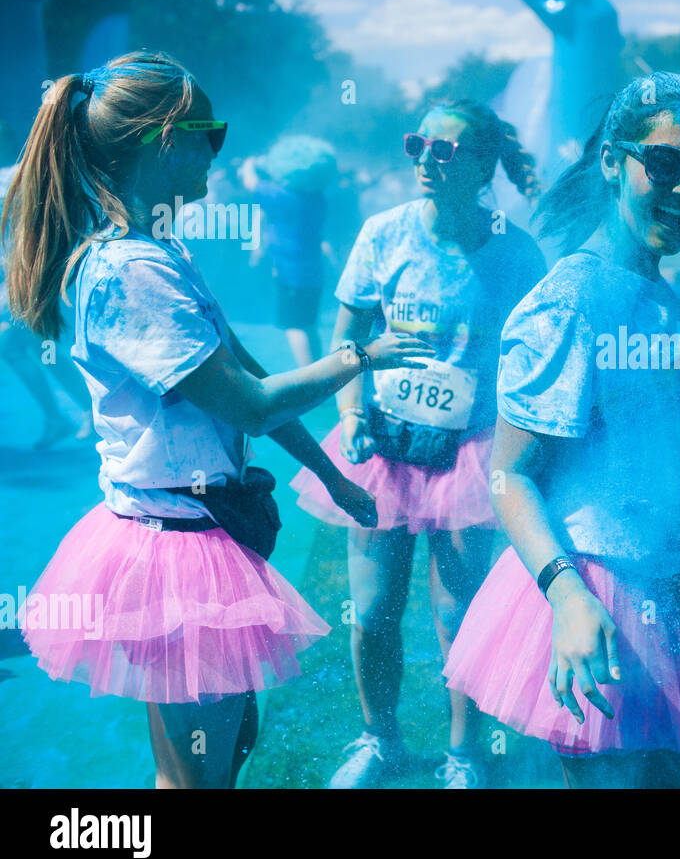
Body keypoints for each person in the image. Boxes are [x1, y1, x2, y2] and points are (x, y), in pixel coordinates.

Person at [3, 52, 434, 789]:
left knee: (208, 766)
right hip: (175, 546)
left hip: (191, 532)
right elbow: (251, 405)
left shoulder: (159, 251)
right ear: (170, 140)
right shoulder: (132, 271)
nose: (219, 149)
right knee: (197, 780)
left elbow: (253, 383)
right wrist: (362, 355)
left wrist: (331, 474)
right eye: (213, 132)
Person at [443, 72, 680, 788]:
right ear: (612, 161)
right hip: (598, 590)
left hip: (666, 584)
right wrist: (568, 596)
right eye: (663, 163)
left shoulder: (671, 299)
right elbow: (510, 474)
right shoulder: (570, 302)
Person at [291, 100, 545, 789]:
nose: (427, 160)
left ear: (484, 166)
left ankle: (464, 754)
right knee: (373, 612)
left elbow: (534, 360)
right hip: (383, 448)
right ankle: (381, 741)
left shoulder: (517, 253)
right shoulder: (383, 234)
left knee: (456, 614)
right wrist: (349, 412)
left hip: (469, 454)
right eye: (419, 145)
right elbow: (346, 339)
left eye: (447, 150)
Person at [0, 164, 93, 447]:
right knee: (38, 348)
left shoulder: (22, 170)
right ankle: (79, 410)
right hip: (15, 278)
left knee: (20, 345)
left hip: (32, 277)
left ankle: (77, 411)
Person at [242, 137, 339, 366]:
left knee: (294, 326)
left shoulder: (282, 197)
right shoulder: (317, 199)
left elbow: (250, 183)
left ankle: (310, 374)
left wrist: (249, 163)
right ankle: (319, 368)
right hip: (313, 273)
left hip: (290, 274)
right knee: (309, 325)